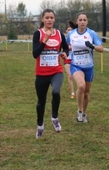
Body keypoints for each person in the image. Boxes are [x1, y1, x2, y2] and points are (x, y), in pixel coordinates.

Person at [32, 8, 69, 139]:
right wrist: (45, 40)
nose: (49, 20)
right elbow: (35, 54)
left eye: (51, 17)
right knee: (41, 102)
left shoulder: (59, 34)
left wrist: (65, 53)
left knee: (56, 92)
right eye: (47, 17)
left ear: (54, 19)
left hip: (56, 71)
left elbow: (65, 47)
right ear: (42, 19)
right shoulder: (38, 34)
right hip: (41, 74)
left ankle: (54, 117)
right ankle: (40, 125)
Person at [66, 12, 104, 123]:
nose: (82, 22)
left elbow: (101, 49)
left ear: (87, 22)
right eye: (80, 20)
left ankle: (84, 113)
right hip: (76, 65)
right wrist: (65, 56)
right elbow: (67, 48)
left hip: (89, 66)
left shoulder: (91, 34)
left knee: (86, 93)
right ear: (77, 22)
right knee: (81, 86)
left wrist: (92, 46)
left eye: (84, 20)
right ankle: (79, 110)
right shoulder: (71, 34)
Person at [64, 20, 77, 99]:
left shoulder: (76, 38)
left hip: (75, 58)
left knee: (77, 76)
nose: (69, 31)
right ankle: (72, 92)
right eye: (68, 30)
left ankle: (80, 89)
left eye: (71, 30)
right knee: (70, 76)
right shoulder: (64, 39)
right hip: (67, 59)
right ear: (66, 31)